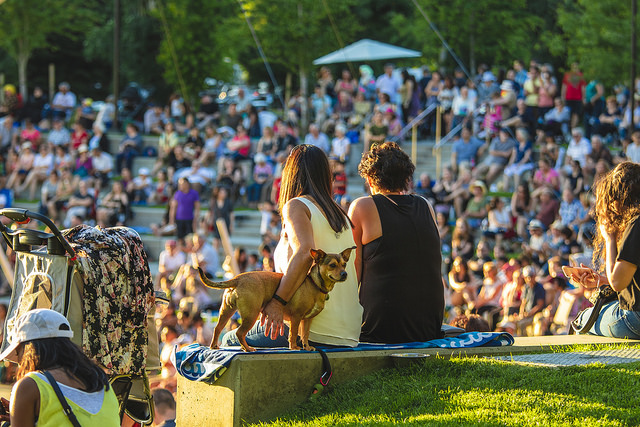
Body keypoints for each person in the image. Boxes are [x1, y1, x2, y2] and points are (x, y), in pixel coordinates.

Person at [221, 144, 362, 348]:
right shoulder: (341, 214)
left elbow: (305, 252)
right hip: (348, 332)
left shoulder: (297, 205)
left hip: (311, 329)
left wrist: (277, 302)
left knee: (229, 341)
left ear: (291, 175)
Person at [349, 142, 444, 343]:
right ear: (406, 178)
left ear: (369, 178)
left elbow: (352, 273)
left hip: (381, 328)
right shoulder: (425, 205)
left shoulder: (362, 206)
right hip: (429, 325)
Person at [0, 309, 119, 426]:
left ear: (28, 350)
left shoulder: (30, 385)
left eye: (18, 351)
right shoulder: (100, 380)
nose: (19, 361)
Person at [568, 162, 640, 338]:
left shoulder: (636, 223)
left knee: (581, 320)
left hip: (635, 317)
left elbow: (618, 283)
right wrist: (600, 280)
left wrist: (610, 239)